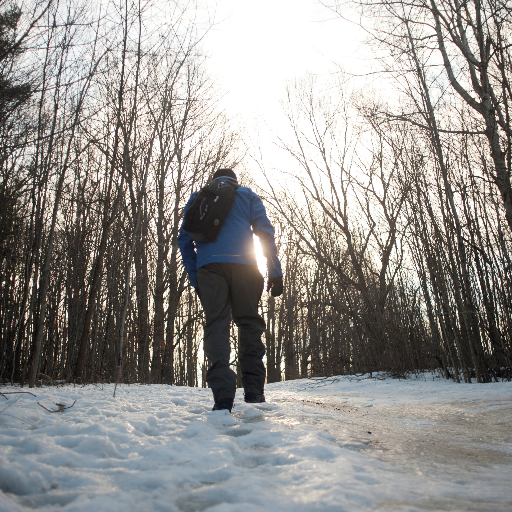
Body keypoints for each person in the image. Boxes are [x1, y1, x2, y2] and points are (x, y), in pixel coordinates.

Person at [178, 168, 283, 412]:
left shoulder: (199, 197)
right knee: (248, 323)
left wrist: (197, 276)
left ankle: (223, 397)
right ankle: (254, 391)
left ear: (214, 181)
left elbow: (184, 239)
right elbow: (265, 234)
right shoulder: (246, 195)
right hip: (245, 265)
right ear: (235, 181)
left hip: (209, 269)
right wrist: (275, 272)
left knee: (217, 324)